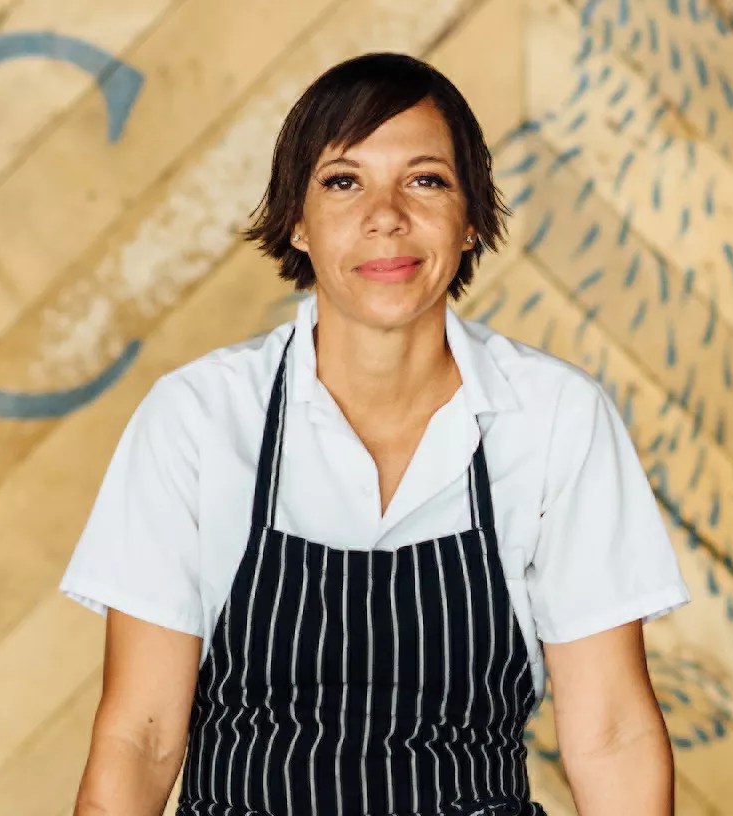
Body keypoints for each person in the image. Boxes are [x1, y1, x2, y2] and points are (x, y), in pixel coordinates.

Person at [61, 52, 692, 816]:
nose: (386, 216)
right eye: (343, 181)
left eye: (425, 180)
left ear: (470, 222)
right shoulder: (197, 416)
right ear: (296, 220)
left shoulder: (557, 418)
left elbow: (612, 733)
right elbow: (142, 736)